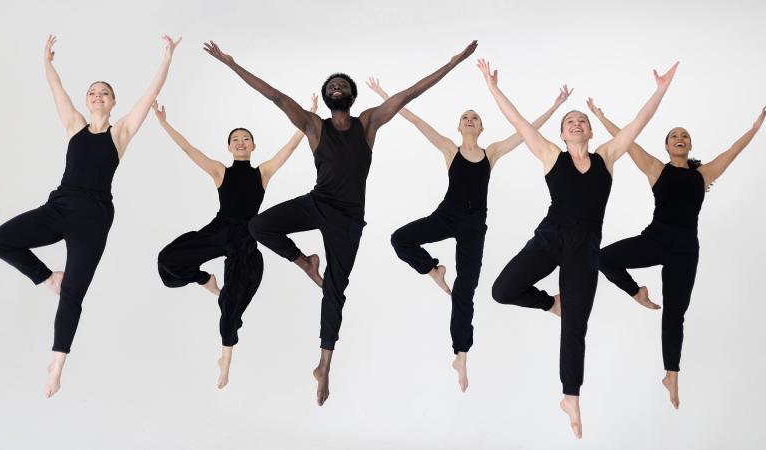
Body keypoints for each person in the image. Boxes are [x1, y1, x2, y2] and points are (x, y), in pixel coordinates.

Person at [203, 39, 478, 405]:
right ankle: (305, 262)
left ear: (351, 95)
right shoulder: (315, 127)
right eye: (332, 85)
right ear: (326, 95)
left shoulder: (368, 123)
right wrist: (232, 63)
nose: (337, 87)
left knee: (334, 290)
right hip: (317, 203)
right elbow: (276, 96)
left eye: (343, 85)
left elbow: (409, 94)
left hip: (347, 221)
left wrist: (454, 61)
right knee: (258, 226)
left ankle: (324, 365)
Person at [478, 58, 678, 438]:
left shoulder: (607, 156)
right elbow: (518, 122)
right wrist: (492, 87)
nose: (576, 123)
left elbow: (638, 123)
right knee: (502, 290)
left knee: (575, 327)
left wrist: (660, 89)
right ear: (562, 132)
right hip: (550, 238)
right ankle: (550, 303)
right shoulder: (551, 155)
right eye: (570, 121)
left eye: (581, 120)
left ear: (588, 130)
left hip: (585, 250)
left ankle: (571, 396)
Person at [0, 35, 180, 397]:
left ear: (113, 101)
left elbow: (147, 95)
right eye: (92, 91)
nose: (97, 96)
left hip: (93, 219)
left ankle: (56, 365)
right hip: (59, 207)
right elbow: (56, 89)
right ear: (86, 99)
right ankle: (48, 278)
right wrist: (47, 61)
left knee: (74, 293)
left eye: (104, 92)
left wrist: (166, 59)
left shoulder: (120, 132)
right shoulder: (74, 125)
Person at [366, 77, 572, 392]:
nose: (469, 119)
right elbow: (416, 120)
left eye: (475, 117)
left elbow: (524, 132)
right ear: (459, 127)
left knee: (465, 290)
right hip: (446, 216)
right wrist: (385, 95)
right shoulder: (450, 149)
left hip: (474, 227)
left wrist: (555, 106)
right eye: (465, 117)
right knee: (400, 239)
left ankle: (461, 355)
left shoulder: (491, 153)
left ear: (481, 128)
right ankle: (432, 269)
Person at [591, 99, 766, 409]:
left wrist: (753, 129)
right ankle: (637, 292)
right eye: (674, 135)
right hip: (656, 239)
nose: (680, 138)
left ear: (689, 145)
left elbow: (732, 152)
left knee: (675, 315)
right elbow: (627, 140)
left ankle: (671, 375)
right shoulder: (655, 168)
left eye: (684, 135)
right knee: (602, 258)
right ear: (667, 145)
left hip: (685, 250)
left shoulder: (703, 175)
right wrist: (601, 116)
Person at [153, 95, 318, 389]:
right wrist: (165, 124)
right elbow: (188, 149)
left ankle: (225, 360)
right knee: (168, 260)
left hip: (246, 237)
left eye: (246, 139)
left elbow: (291, 147)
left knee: (231, 304)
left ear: (253, 146)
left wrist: (308, 117)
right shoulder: (220, 171)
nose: (240, 142)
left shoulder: (263, 173)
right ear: (229, 147)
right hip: (220, 229)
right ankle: (205, 278)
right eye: (235, 139)